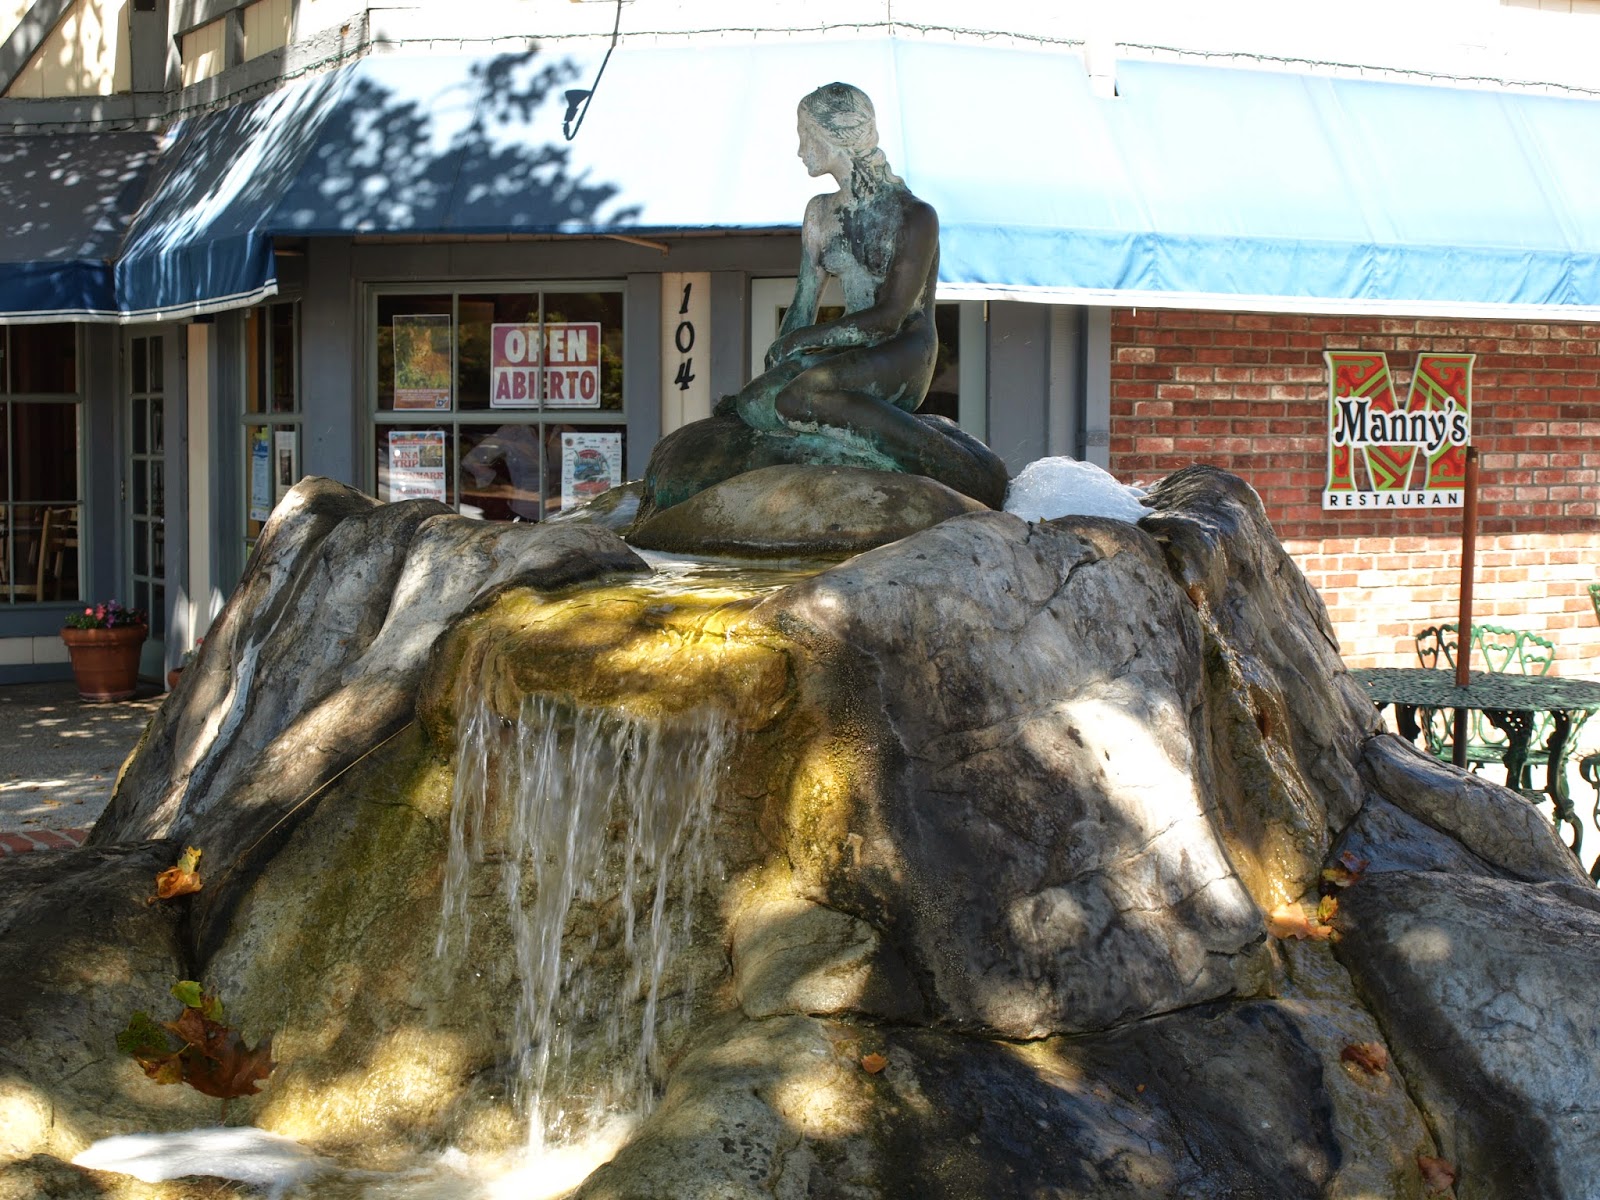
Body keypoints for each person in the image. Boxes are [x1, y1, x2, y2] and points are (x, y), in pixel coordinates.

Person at [725, 83, 962, 480]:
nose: (800, 149)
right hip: (848, 353)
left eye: (805, 135)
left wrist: (799, 343)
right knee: (754, 403)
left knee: (800, 396)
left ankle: (938, 457)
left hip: (903, 350)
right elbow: (803, 305)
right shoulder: (819, 213)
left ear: (836, 136)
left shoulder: (914, 215)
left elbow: (889, 318)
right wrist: (779, 359)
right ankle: (846, 448)